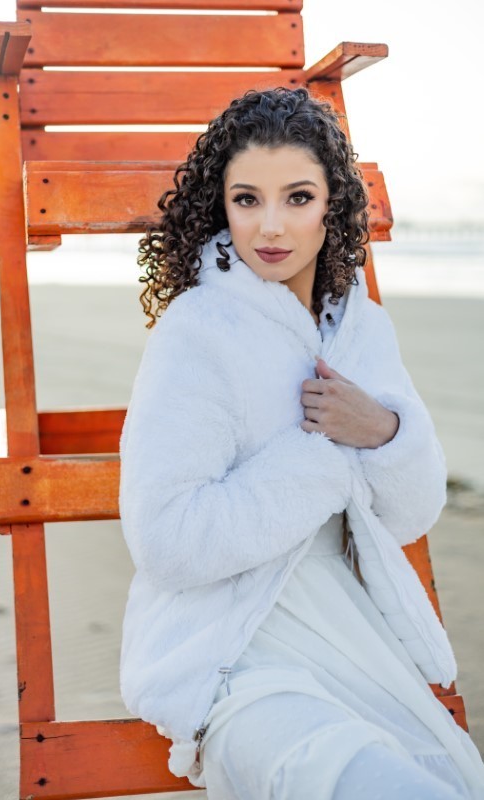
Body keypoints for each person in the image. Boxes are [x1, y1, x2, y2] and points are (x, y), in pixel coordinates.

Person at [119, 87, 484, 799]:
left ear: (331, 205)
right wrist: (324, 460)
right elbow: (166, 540)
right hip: (230, 645)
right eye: (247, 199)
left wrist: (382, 432)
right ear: (220, 208)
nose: (271, 226)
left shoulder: (361, 328)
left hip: (352, 634)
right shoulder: (196, 332)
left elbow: (411, 514)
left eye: (298, 197)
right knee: (346, 774)